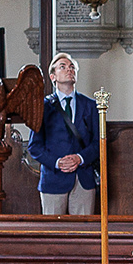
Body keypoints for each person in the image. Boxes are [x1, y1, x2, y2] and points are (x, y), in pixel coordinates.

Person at [32, 53, 100, 212]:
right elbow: (34, 146)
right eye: (62, 67)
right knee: (54, 233)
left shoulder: (91, 105)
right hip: (53, 178)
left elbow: (98, 143)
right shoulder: (43, 107)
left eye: (72, 67)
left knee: (84, 233)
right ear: (53, 76)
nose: (69, 70)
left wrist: (80, 158)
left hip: (83, 179)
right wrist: (57, 162)